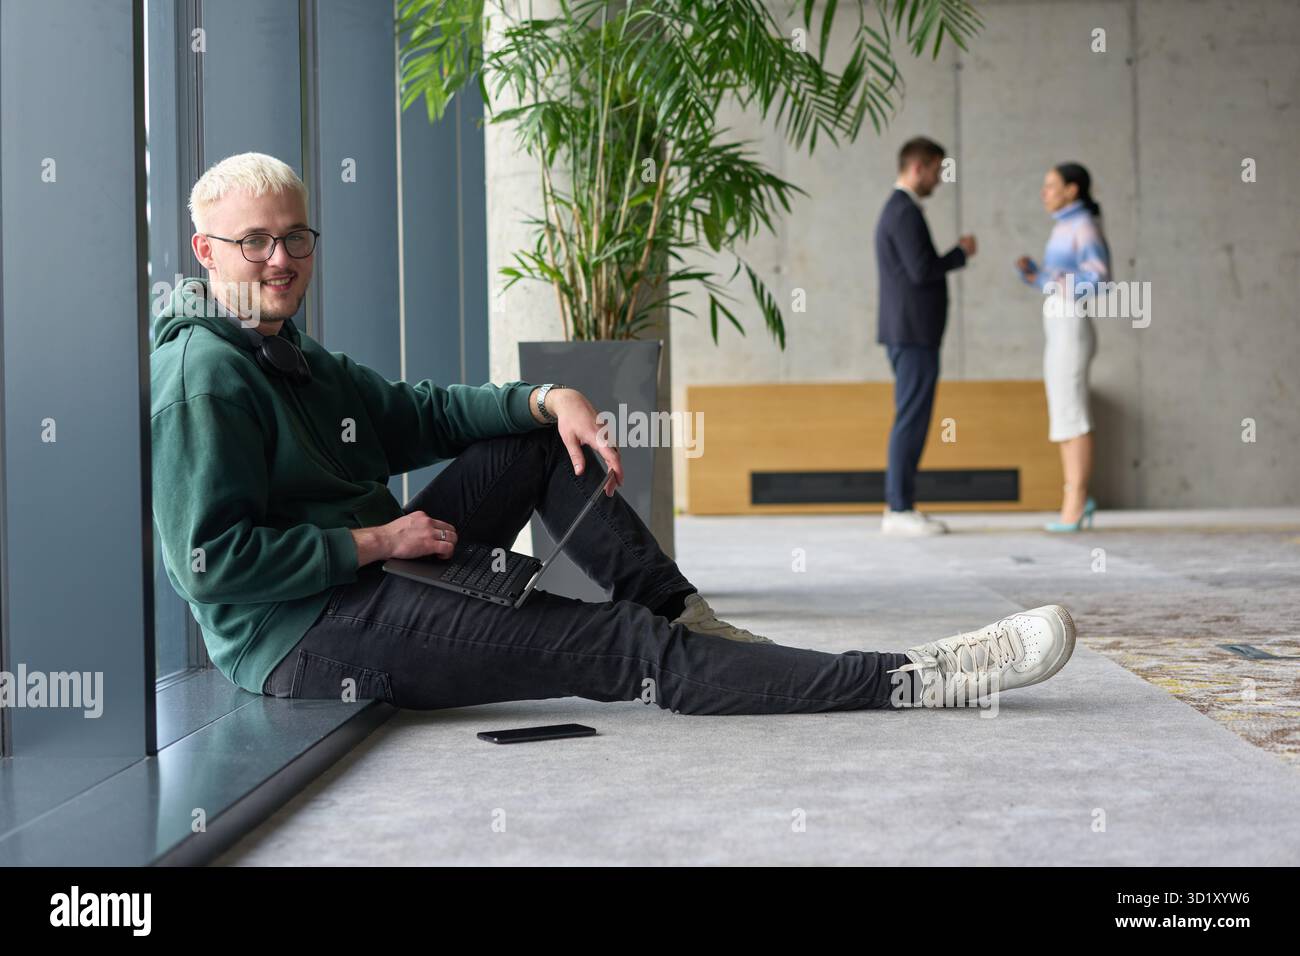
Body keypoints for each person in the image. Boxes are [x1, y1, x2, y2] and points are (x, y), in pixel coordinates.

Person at [150, 151, 1076, 714]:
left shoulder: (285, 350)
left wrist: (549, 396)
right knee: (625, 651)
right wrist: (374, 541)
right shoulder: (205, 376)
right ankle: (912, 676)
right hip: (306, 634)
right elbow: (209, 564)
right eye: (254, 242)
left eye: (295, 237)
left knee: (534, 441)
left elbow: (418, 413)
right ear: (206, 251)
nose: (280, 259)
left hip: (375, 570)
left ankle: (692, 623)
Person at [874, 137, 976, 536]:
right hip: (912, 332)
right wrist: (960, 253)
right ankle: (898, 509)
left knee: (912, 416)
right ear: (918, 167)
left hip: (912, 332)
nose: (939, 179)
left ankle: (901, 505)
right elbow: (921, 270)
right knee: (911, 419)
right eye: (936, 170)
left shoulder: (901, 209)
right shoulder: (903, 211)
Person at [1016, 162, 1110, 532]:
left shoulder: (1082, 225)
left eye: (1052, 185)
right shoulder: (1062, 227)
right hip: (1057, 323)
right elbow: (1059, 280)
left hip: (1071, 325)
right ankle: (1074, 496)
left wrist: (1050, 281)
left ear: (1072, 190)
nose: (1045, 192)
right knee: (1062, 412)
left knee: (1073, 412)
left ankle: (1077, 498)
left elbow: (1099, 278)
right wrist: (1036, 277)